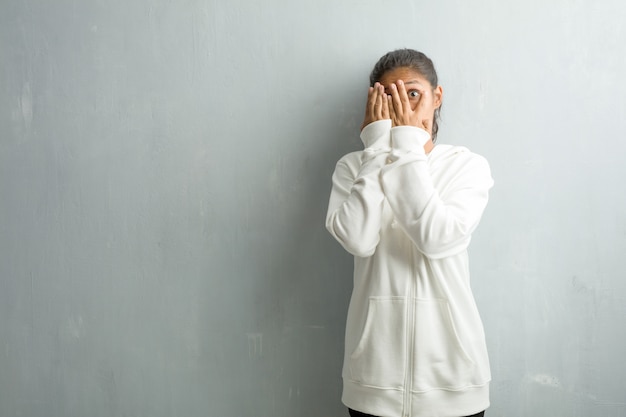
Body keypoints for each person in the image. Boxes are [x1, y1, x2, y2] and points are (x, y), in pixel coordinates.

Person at [325, 49, 494, 417]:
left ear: (437, 97)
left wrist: (404, 144)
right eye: (388, 96)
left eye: (413, 93)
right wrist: (376, 152)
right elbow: (357, 238)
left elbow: (436, 237)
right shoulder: (353, 167)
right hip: (372, 382)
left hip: (454, 383)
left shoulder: (467, 166)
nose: (402, 105)